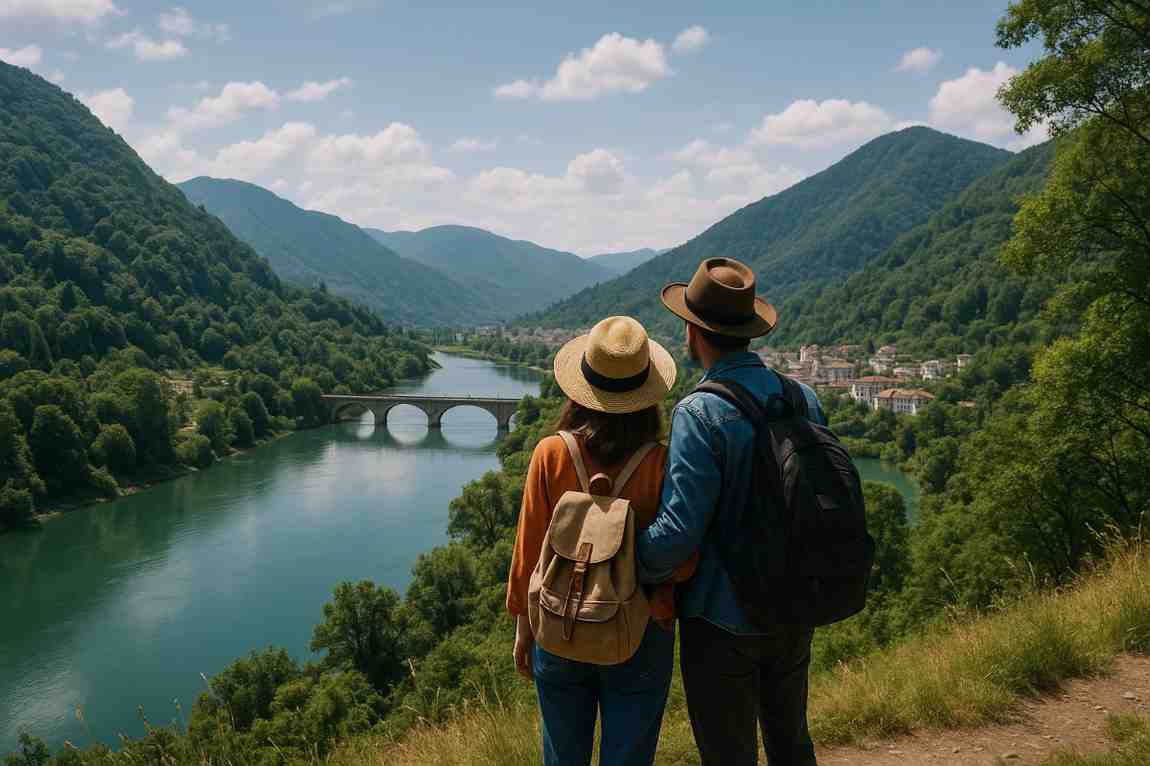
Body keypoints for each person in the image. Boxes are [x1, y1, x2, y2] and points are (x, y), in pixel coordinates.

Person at [636, 256, 826, 766]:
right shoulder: (803, 398)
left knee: (727, 753)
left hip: (721, 618)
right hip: (796, 602)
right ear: (747, 330)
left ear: (691, 331)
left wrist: (630, 560)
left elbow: (679, 532)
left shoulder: (700, 411)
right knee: (792, 741)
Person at [506, 315, 694, 766]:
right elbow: (684, 559)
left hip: (559, 620)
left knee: (562, 755)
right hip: (640, 627)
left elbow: (529, 554)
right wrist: (661, 601)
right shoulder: (663, 462)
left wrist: (523, 626)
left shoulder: (551, 452)